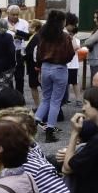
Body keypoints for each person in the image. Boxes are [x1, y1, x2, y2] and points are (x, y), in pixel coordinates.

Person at [34, 10, 75, 143]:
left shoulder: (43, 34)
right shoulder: (65, 36)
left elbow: (39, 53)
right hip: (60, 68)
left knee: (45, 99)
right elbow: (70, 54)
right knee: (55, 101)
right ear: (61, 22)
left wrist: (40, 68)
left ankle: (32, 126)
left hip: (45, 67)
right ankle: (50, 131)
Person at [5, 5, 30, 94]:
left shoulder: (24, 23)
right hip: (7, 52)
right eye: (13, 14)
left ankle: (20, 96)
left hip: (19, 52)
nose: (15, 16)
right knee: (7, 76)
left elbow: (28, 36)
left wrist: (17, 36)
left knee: (19, 77)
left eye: (17, 14)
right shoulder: (2, 22)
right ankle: (10, 97)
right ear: (8, 13)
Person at [23, 19, 43, 111]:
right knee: (36, 85)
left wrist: (24, 55)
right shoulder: (35, 36)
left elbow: (33, 52)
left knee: (34, 85)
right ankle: (39, 105)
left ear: (35, 28)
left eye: (30, 27)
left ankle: (38, 105)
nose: (28, 29)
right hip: (34, 65)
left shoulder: (37, 37)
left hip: (34, 65)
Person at [65, 22, 81, 105]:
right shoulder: (64, 38)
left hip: (73, 65)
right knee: (64, 83)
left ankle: (78, 99)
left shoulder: (76, 40)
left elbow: (75, 47)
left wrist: (72, 38)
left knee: (74, 82)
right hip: (65, 64)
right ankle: (65, 98)